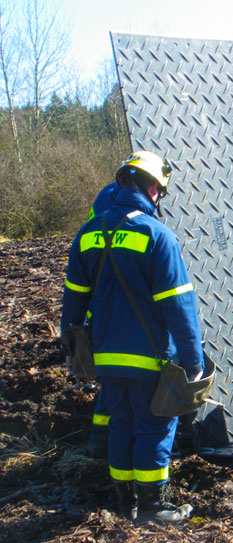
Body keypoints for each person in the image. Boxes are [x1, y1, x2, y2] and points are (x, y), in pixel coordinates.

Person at [61, 151, 206, 524]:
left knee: (121, 425)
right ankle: (155, 507)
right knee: (155, 427)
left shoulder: (87, 234)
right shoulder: (157, 235)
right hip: (149, 357)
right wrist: (193, 360)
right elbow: (179, 305)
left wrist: (74, 347)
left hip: (107, 358)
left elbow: (74, 299)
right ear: (153, 187)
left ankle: (127, 506)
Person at [85, 181, 121, 459]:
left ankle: (99, 441)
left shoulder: (88, 234)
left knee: (111, 385)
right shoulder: (129, 215)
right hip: (125, 321)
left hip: (98, 319)